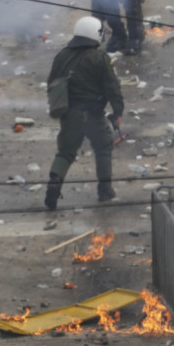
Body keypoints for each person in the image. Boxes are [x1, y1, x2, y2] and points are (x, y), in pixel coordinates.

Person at [45, 15, 124, 210]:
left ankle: (55, 182)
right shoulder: (100, 58)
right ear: (95, 35)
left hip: (68, 114)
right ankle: (105, 191)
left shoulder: (62, 55)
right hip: (92, 114)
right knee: (104, 147)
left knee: (65, 153)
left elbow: (51, 83)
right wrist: (118, 112)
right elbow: (112, 88)